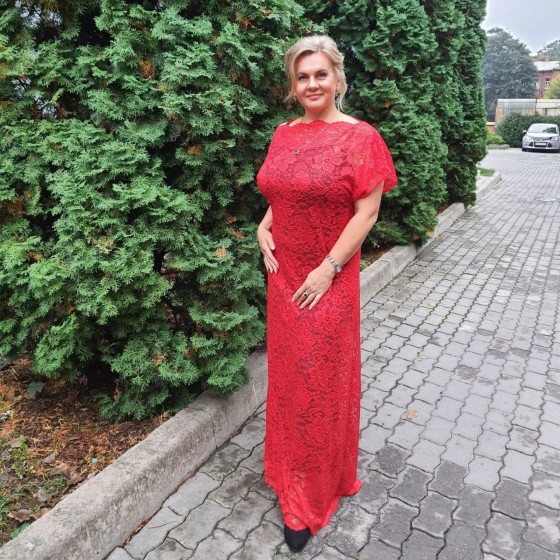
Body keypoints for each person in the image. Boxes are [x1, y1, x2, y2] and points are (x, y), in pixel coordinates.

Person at [256, 35, 397, 552]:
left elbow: (367, 212)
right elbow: (281, 190)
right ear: (292, 87)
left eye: (320, 74)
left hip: (327, 282)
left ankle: (310, 496)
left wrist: (328, 268)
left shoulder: (361, 138)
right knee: (289, 381)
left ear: (338, 78)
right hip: (283, 278)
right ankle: (286, 470)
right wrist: (263, 226)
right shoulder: (283, 134)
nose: (312, 84)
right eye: (302, 76)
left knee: (318, 382)